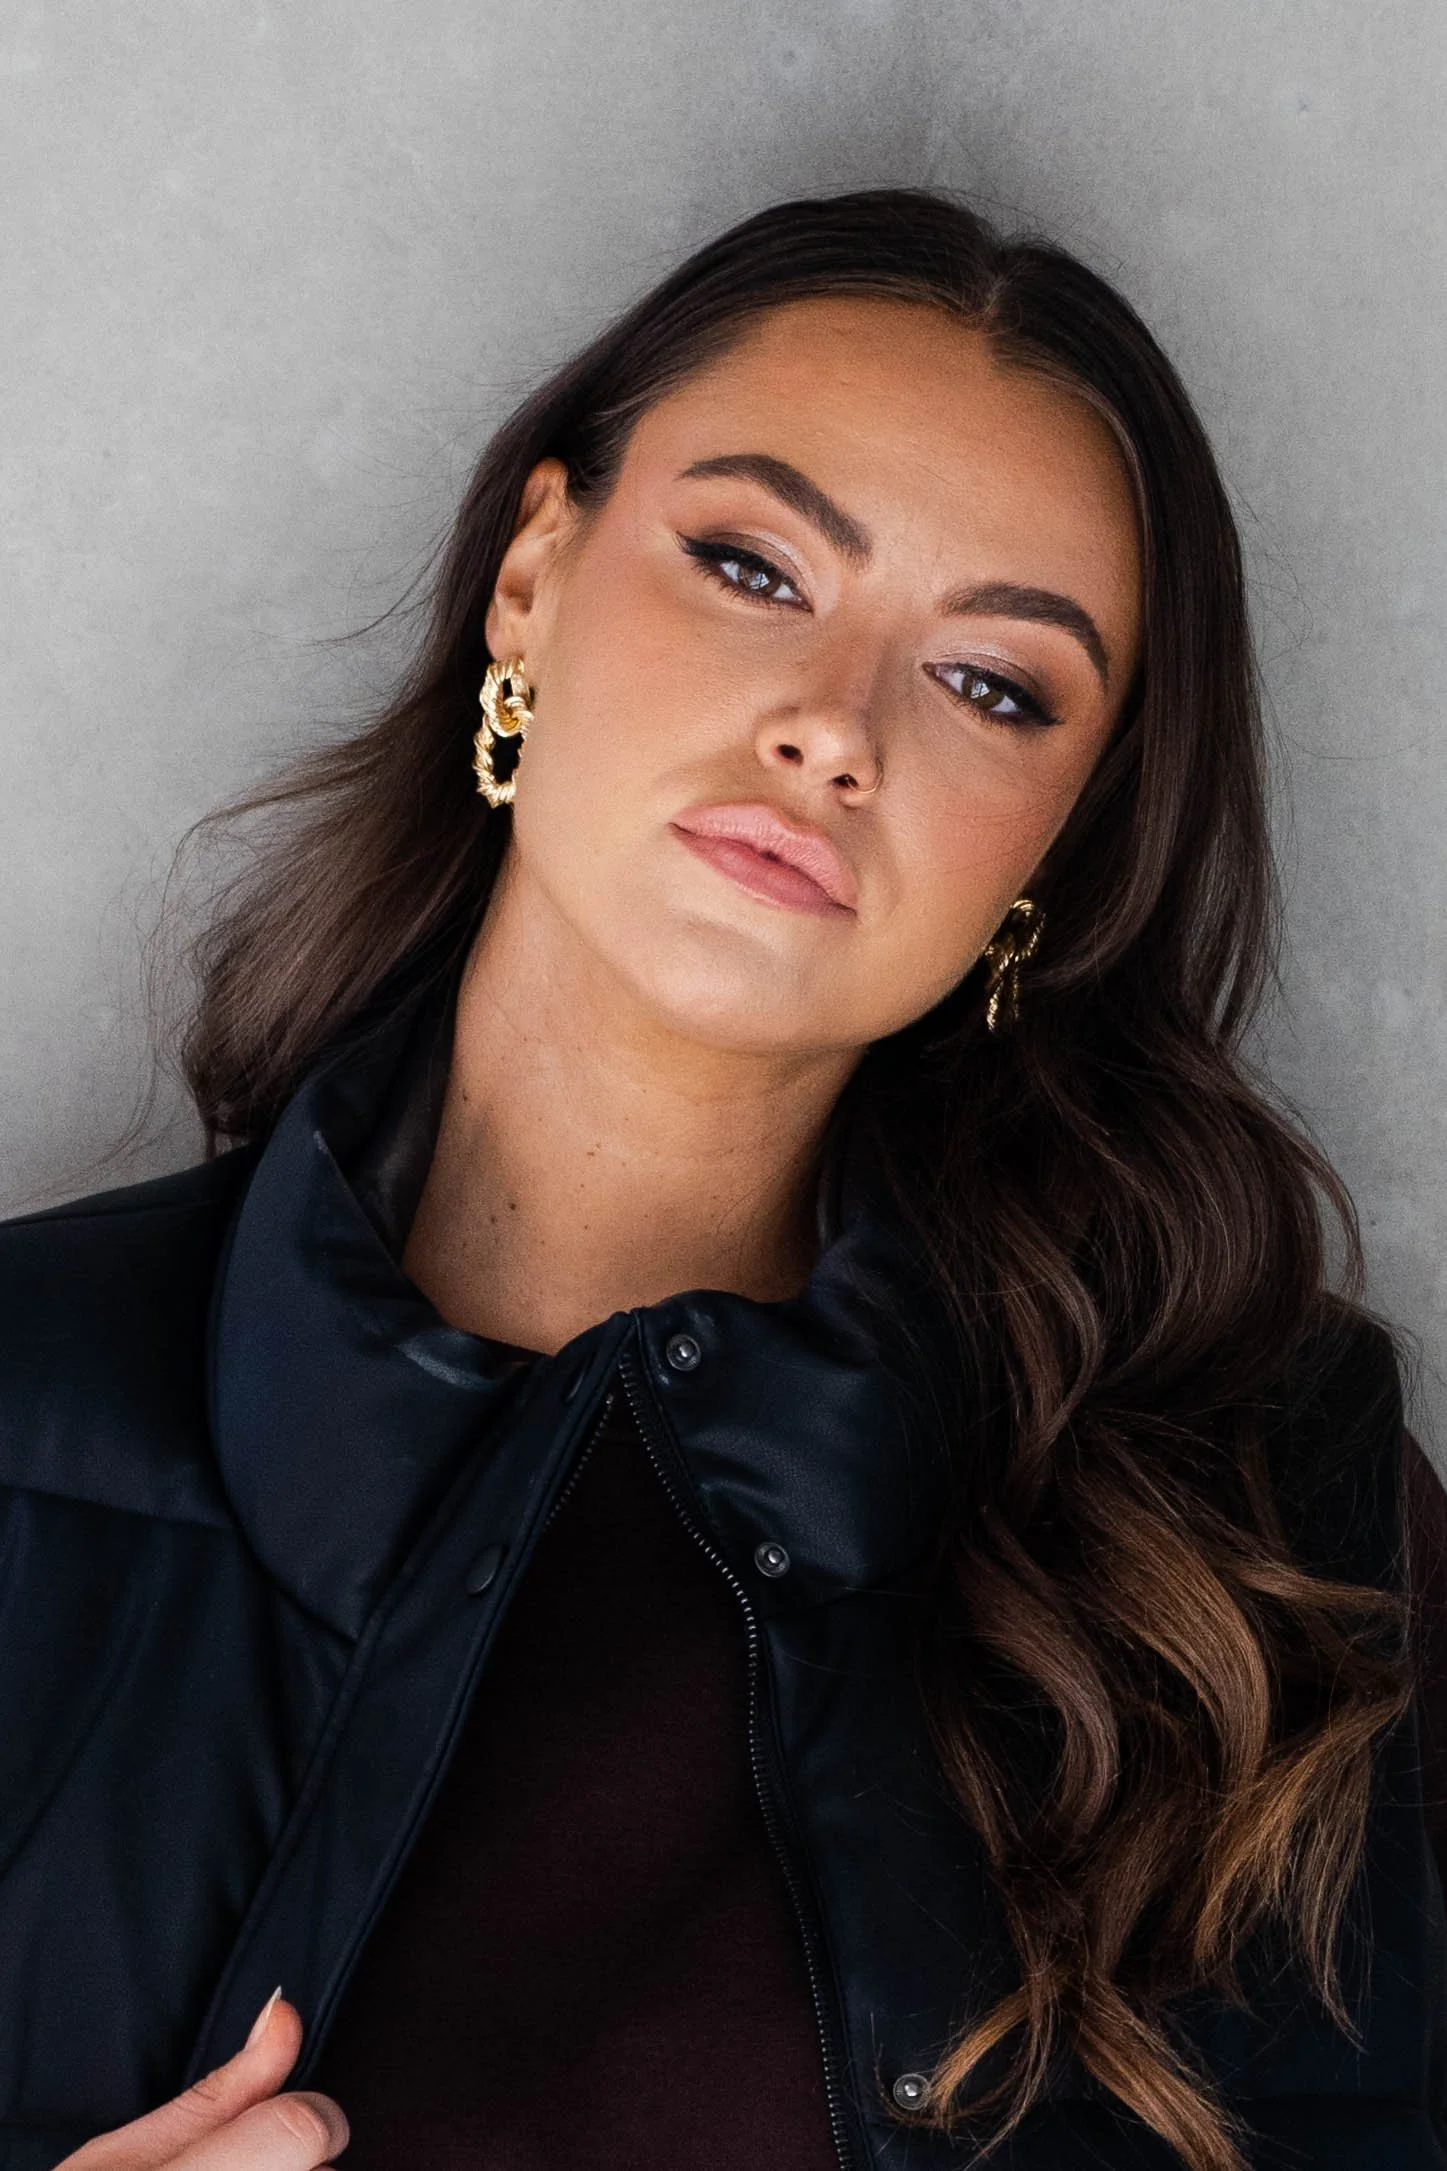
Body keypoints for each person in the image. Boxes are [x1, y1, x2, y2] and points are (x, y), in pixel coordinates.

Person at [1, 188, 1443, 2171]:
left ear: (1062, 854)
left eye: (996, 684)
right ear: (533, 574)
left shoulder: (1271, 1516)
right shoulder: (22, 1414)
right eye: (755, 564)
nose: (831, 728)